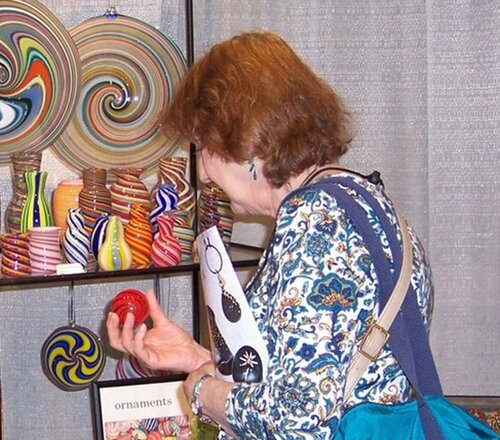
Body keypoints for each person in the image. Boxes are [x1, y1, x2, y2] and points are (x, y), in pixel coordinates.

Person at [107, 31, 434, 439]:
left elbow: (295, 423)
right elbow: (316, 380)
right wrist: (196, 357)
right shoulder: (364, 201)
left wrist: (201, 391)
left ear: (246, 141)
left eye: (204, 148)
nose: (204, 173)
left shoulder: (313, 223)